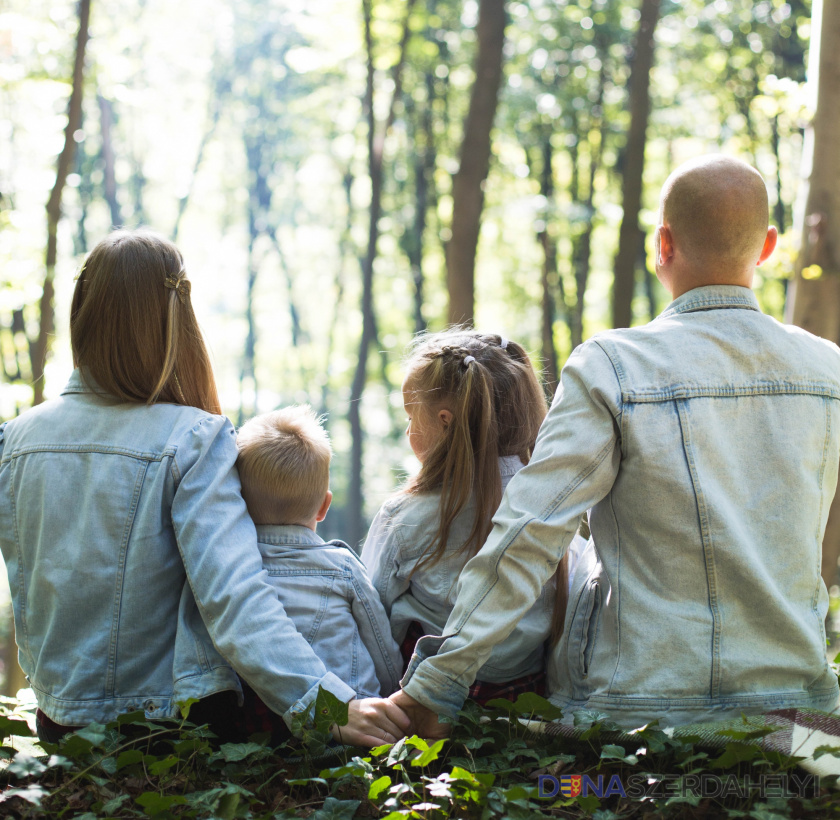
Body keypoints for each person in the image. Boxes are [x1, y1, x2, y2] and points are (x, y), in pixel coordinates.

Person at [391, 155, 840, 735]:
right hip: (799, 715)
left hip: (635, 711)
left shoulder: (613, 366)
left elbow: (530, 532)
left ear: (663, 244)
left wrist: (438, 683)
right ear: (768, 246)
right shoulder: (828, 370)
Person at [0, 229, 409, 747]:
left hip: (59, 725)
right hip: (167, 729)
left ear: (83, 310)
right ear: (175, 320)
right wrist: (328, 705)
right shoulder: (193, 437)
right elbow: (235, 597)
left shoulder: (14, 440)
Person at [362, 329, 587, 703]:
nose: (407, 430)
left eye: (411, 417)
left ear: (445, 421)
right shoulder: (554, 511)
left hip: (421, 700)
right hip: (525, 701)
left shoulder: (404, 516)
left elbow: (372, 616)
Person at [235, 405, 402, 700]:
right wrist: (391, 693)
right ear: (324, 507)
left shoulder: (230, 570)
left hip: (262, 720)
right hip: (352, 714)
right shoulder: (342, 568)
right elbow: (381, 648)